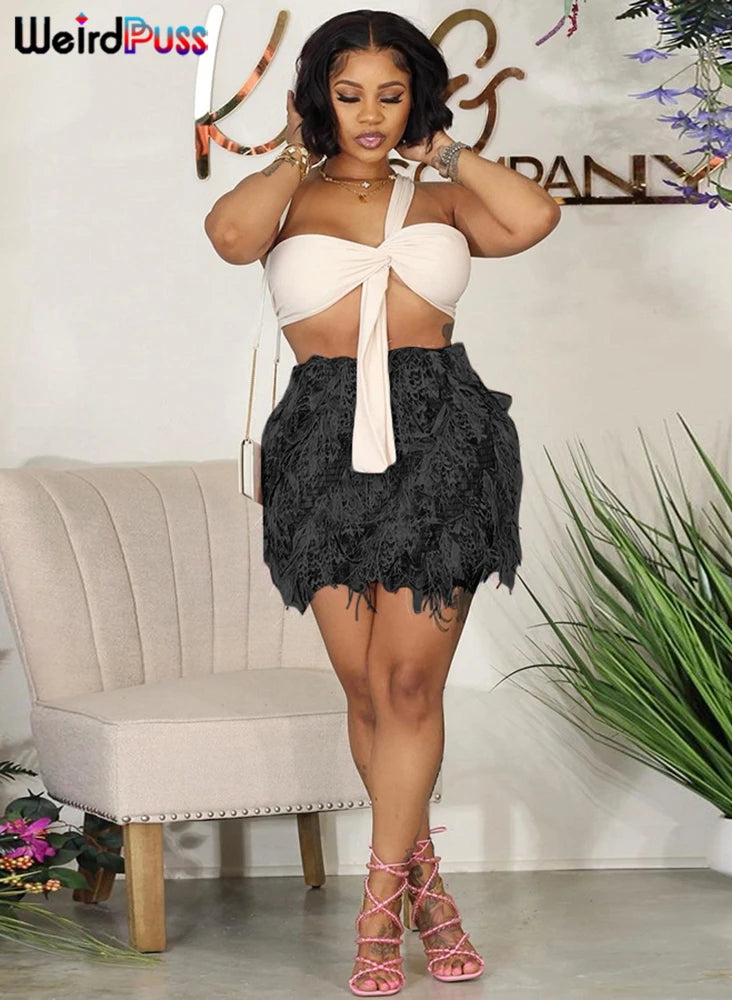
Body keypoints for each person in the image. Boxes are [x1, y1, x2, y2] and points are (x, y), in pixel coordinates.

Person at [204, 10, 560, 995]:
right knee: (364, 690)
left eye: (391, 95)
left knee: (407, 687)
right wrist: (291, 146)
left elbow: (533, 218)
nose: (369, 114)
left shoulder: (441, 195)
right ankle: (428, 893)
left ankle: (375, 912)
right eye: (349, 93)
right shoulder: (290, 193)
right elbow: (229, 237)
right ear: (319, 96)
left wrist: (447, 151)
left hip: (442, 434)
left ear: (417, 100)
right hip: (321, 442)